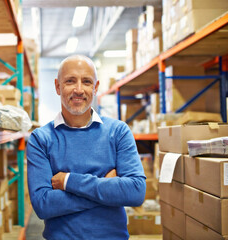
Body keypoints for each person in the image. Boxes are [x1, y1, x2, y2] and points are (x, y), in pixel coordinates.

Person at [26, 55, 146, 240]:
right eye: (70, 81)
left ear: (96, 87)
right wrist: (107, 188)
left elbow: (136, 191)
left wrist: (68, 182)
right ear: (58, 87)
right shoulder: (41, 139)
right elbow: (43, 205)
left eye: (87, 82)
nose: (79, 89)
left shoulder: (118, 132)